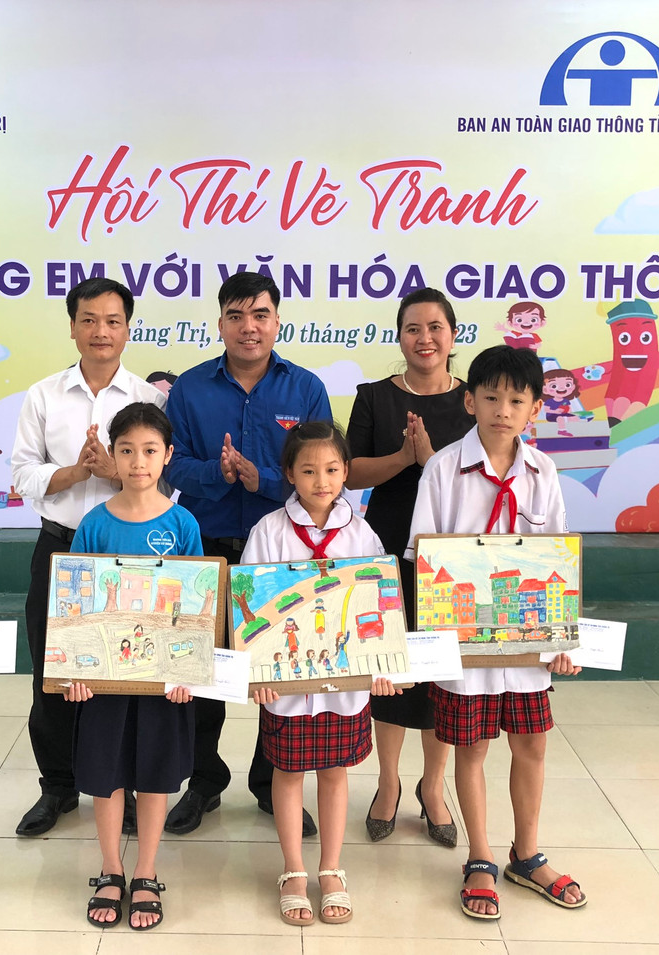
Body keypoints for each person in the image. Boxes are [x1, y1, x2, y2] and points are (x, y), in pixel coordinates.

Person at [407, 345, 586, 920]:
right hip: (464, 645)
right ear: (470, 402)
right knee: (473, 746)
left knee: (532, 744)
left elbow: (557, 557)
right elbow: (423, 557)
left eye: (516, 400)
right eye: (490, 398)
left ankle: (526, 855)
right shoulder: (442, 469)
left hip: (528, 641)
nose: (502, 411)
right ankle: (480, 857)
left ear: (534, 409)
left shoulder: (543, 471)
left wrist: (562, 639)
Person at [163, 271, 331, 835]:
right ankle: (203, 782)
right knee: (201, 670)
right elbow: (174, 466)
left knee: (276, 666)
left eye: (260, 315)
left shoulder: (304, 389)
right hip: (206, 548)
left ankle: (271, 781)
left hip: (281, 552)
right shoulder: (190, 388)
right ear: (220, 324)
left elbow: (320, 471)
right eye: (236, 317)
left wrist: (263, 481)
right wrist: (220, 473)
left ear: (277, 322)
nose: (248, 327)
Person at [10, 277, 165, 837]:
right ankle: (58, 786)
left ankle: (121, 786)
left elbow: (165, 478)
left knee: (126, 673)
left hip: (132, 551)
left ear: (128, 329)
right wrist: (78, 471)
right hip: (61, 545)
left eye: (113, 321)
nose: (102, 331)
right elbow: (22, 474)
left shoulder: (150, 399)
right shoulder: (43, 395)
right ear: (73, 327)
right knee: (54, 671)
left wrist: (117, 472)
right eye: (90, 320)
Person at [243, 421, 398, 926]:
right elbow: (250, 607)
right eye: (308, 471)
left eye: (332, 469)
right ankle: (293, 870)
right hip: (286, 687)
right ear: (288, 473)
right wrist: (256, 672)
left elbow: (379, 603)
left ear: (347, 472)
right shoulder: (268, 531)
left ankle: (331, 868)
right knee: (288, 773)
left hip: (346, 687)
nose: (321, 481)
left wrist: (383, 664)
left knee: (335, 772)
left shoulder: (362, 532)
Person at [63, 402, 200, 931]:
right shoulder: (94, 524)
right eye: (126, 450)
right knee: (106, 774)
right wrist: (74, 671)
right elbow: (72, 607)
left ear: (168, 455)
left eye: (149, 450)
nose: (138, 461)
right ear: (112, 457)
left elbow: (196, 607)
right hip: (104, 681)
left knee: (156, 773)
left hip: (163, 682)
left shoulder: (183, 523)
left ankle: (145, 870)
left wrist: (187, 672)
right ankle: (110, 868)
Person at [347, 288, 471, 848]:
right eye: (413, 328)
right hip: (388, 546)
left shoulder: (473, 401)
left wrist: (434, 462)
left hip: (452, 555)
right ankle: (389, 783)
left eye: (436, 327)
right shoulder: (375, 397)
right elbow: (350, 472)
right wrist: (404, 458)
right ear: (399, 336)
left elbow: (482, 472)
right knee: (391, 668)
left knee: (441, 670)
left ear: (453, 334)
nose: (425, 339)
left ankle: (434, 786)